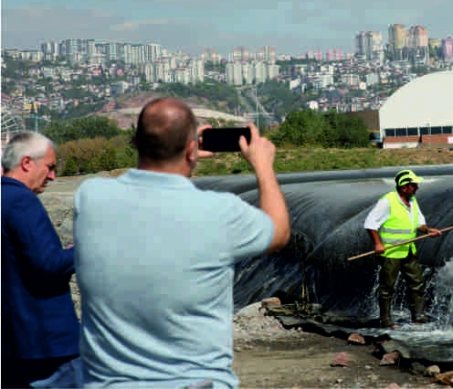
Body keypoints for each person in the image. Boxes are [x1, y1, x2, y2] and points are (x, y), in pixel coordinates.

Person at [73, 97, 291, 389]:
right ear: (192, 149)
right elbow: (278, 232)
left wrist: (180, 154)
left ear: (136, 141)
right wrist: (262, 165)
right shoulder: (221, 211)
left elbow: (142, 187)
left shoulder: (90, 198)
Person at [1, 132, 81, 388]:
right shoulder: (22, 201)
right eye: (49, 167)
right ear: (26, 163)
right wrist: (79, 251)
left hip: (12, 344)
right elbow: (48, 264)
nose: (52, 176)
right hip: (46, 345)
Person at [363, 169, 441, 328]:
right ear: (404, 187)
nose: (417, 188)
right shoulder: (387, 201)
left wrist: (427, 230)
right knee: (387, 287)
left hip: (408, 250)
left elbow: (420, 222)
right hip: (391, 252)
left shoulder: (412, 201)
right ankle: (386, 320)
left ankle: (418, 316)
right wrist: (378, 244)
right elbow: (370, 224)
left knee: (417, 283)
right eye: (414, 185)